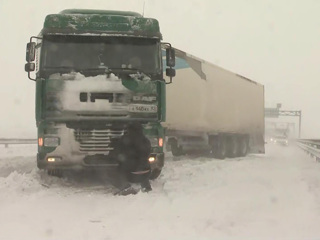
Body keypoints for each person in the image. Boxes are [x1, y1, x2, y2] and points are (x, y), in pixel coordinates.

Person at [111, 122, 152, 195]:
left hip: (131, 173)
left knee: (113, 172)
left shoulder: (125, 139)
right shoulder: (146, 140)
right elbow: (148, 152)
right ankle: (146, 186)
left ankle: (125, 187)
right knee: (142, 165)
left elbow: (117, 152)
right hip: (146, 171)